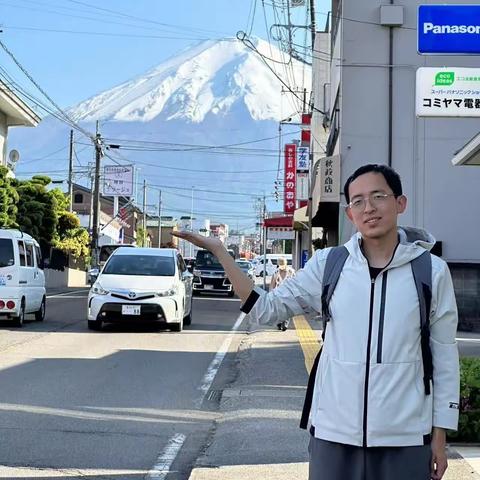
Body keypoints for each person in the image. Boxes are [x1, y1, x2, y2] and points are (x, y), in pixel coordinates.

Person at [172, 164, 459, 480]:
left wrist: (440, 434)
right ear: (350, 214)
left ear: (399, 203)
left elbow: (444, 355)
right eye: (358, 201)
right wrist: (221, 253)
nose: (369, 208)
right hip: (333, 434)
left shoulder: (430, 272)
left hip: (406, 438)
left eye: (379, 196)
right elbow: (265, 310)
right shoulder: (330, 265)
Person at [269, 257, 296, 331]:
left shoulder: (291, 272)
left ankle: (285, 323)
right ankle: (279, 322)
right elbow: (272, 284)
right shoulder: (276, 272)